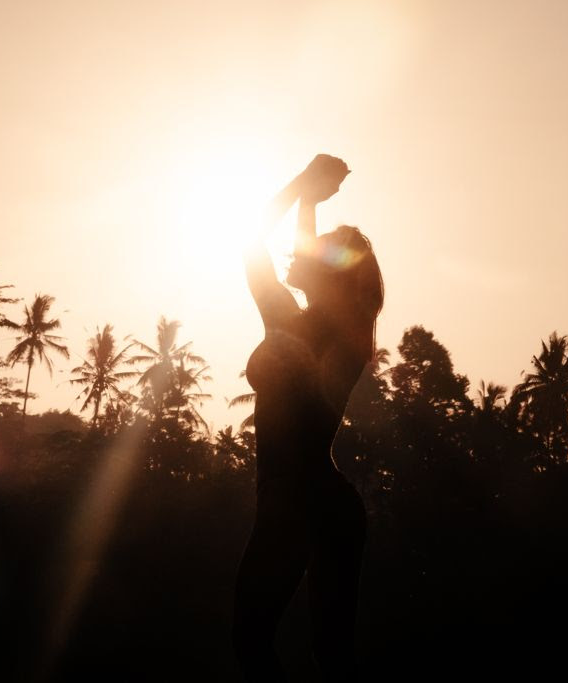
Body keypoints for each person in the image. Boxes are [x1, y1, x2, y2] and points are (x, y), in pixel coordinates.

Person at [232, 154, 384, 681]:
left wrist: (303, 188)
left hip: (294, 498)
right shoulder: (333, 334)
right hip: (325, 502)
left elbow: (256, 240)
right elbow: (275, 246)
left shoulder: (305, 326)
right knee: (332, 656)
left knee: (252, 641)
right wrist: (307, 200)